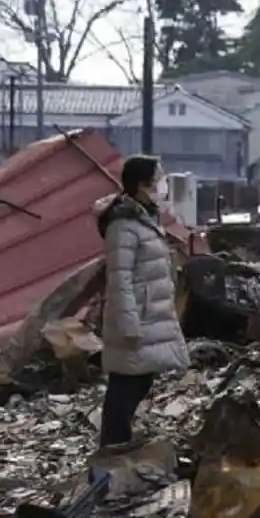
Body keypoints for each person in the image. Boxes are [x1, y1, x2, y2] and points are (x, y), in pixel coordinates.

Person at [92, 155, 189, 450]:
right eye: (160, 178)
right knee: (127, 382)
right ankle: (113, 444)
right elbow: (119, 280)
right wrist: (129, 325)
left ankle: (118, 441)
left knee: (139, 380)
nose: (164, 184)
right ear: (143, 184)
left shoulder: (143, 217)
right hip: (138, 319)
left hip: (149, 315)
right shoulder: (124, 225)